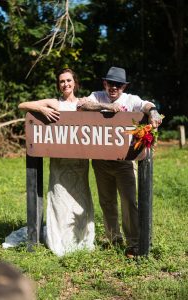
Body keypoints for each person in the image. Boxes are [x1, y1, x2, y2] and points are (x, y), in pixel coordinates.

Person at [78, 66, 163, 258]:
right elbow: (82, 105)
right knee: (107, 201)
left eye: (118, 85)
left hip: (125, 161)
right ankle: (113, 238)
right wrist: (106, 107)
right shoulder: (97, 96)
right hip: (100, 160)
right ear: (105, 84)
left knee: (128, 202)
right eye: (110, 83)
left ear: (124, 86)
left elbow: (146, 104)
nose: (113, 88)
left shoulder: (130, 99)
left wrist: (154, 112)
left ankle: (133, 243)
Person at [18, 68, 95, 256]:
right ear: (58, 85)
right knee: (60, 201)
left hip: (79, 163)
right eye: (62, 81)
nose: (65, 84)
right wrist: (42, 108)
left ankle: (80, 238)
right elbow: (22, 105)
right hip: (59, 164)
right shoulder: (54, 102)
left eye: (69, 80)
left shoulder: (83, 103)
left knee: (80, 201)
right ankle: (59, 239)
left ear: (75, 82)